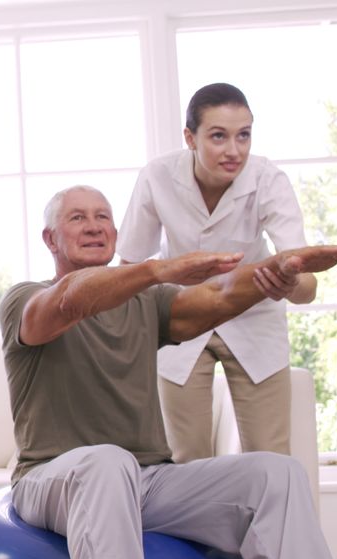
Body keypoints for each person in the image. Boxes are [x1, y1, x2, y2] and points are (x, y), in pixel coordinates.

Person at [0, 185, 337, 559]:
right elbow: (69, 301)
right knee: (107, 463)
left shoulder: (145, 302)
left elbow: (216, 296)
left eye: (102, 217)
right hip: (53, 479)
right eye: (77, 218)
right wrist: (157, 269)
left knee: (277, 474)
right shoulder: (24, 299)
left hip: (148, 481)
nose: (93, 227)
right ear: (50, 239)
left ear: (115, 235)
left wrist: (276, 272)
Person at [117, 82, 314, 463]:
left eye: (244, 135)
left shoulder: (267, 179)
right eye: (219, 136)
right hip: (181, 318)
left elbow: (305, 286)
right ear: (190, 138)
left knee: (272, 460)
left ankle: (277, 525)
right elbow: (130, 270)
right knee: (185, 459)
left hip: (253, 317)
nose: (234, 150)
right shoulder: (157, 176)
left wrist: (290, 281)